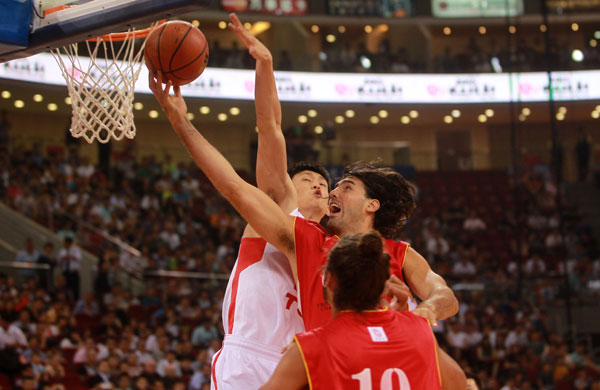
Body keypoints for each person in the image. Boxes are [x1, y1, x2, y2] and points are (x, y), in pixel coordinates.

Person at [151, 10, 457, 386]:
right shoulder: (300, 232)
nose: (325, 189)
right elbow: (258, 146)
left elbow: (444, 296)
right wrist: (188, 118)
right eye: (312, 180)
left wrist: (422, 313)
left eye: (337, 185)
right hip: (272, 356)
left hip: (330, 361)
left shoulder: (394, 254)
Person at [211, 14, 331, 389]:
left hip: (296, 365)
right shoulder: (280, 205)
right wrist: (265, 66)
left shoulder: (332, 248)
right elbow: (270, 126)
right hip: (248, 355)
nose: (317, 186)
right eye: (306, 179)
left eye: (324, 185)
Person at [261, 231, 466, 390]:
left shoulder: (310, 346)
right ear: (384, 286)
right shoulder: (419, 331)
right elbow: (458, 384)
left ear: (329, 280)